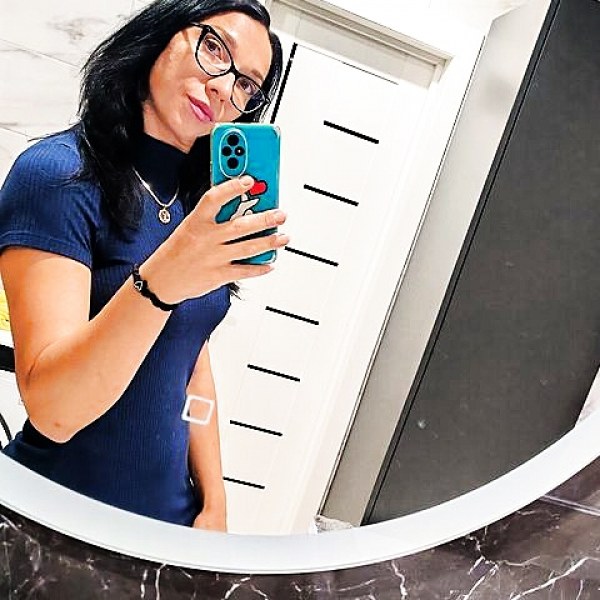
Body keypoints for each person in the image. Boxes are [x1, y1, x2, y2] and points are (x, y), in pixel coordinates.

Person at [0, 0, 288, 530]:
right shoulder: (59, 176)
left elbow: (189, 354)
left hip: (168, 526)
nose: (225, 88)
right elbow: (53, 411)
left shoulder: (197, 204)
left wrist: (214, 500)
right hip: (57, 522)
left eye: (247, 84)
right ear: (161, 33)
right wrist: (162, 282)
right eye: (215, 48)